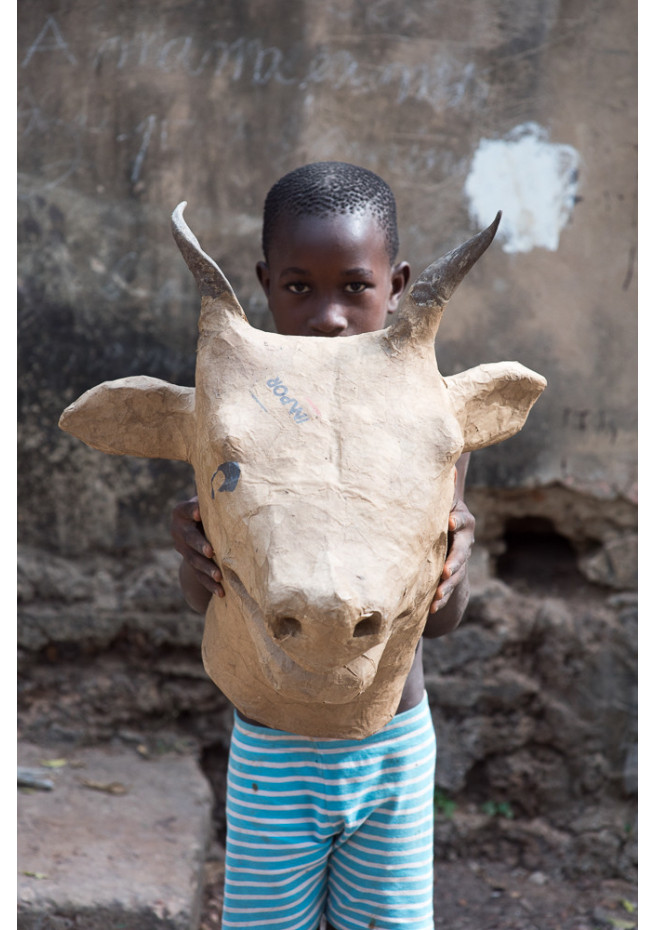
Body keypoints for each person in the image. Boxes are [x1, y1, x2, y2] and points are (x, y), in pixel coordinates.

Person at [170, 162, 475, 930]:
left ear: (398, 283)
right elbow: (212, 603)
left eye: (356, 286)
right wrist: (192, 555)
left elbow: (441, 622)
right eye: (299, 288)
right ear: (264, 283)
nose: (329, 316)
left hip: (395, 741)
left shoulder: (432, 421)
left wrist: (457, 561)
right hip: (273, 748)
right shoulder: (236, 414)